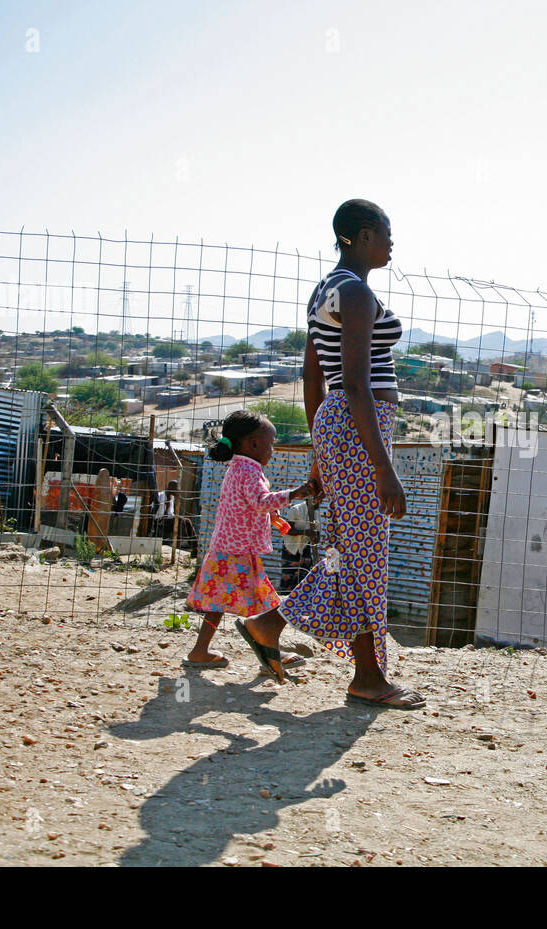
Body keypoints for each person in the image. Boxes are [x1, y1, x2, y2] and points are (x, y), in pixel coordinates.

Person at [236, 199, 425, 708]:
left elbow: (313, 377)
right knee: (364, 552)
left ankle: (269, 625)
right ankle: (366, 676)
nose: (391, 242)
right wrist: (385, 470)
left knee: (350, 550)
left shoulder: (326, 291)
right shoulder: (357, 294)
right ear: (361, 236)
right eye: (385, 233)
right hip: (360, 426)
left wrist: (323, 450)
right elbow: (359, 387)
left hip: (340, 427)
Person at [182, 410, 317, 669]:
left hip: (227, 548)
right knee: (267, 602)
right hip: (239, 551)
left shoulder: (238, 468)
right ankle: (271, 650)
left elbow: (248, 506)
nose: (273, 449)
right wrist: (294, 493)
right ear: (253, 444)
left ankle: (201, 651)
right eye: (272, 443)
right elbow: (259, 502)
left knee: (218, 604)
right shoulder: (249, 470)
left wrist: (275, 519)